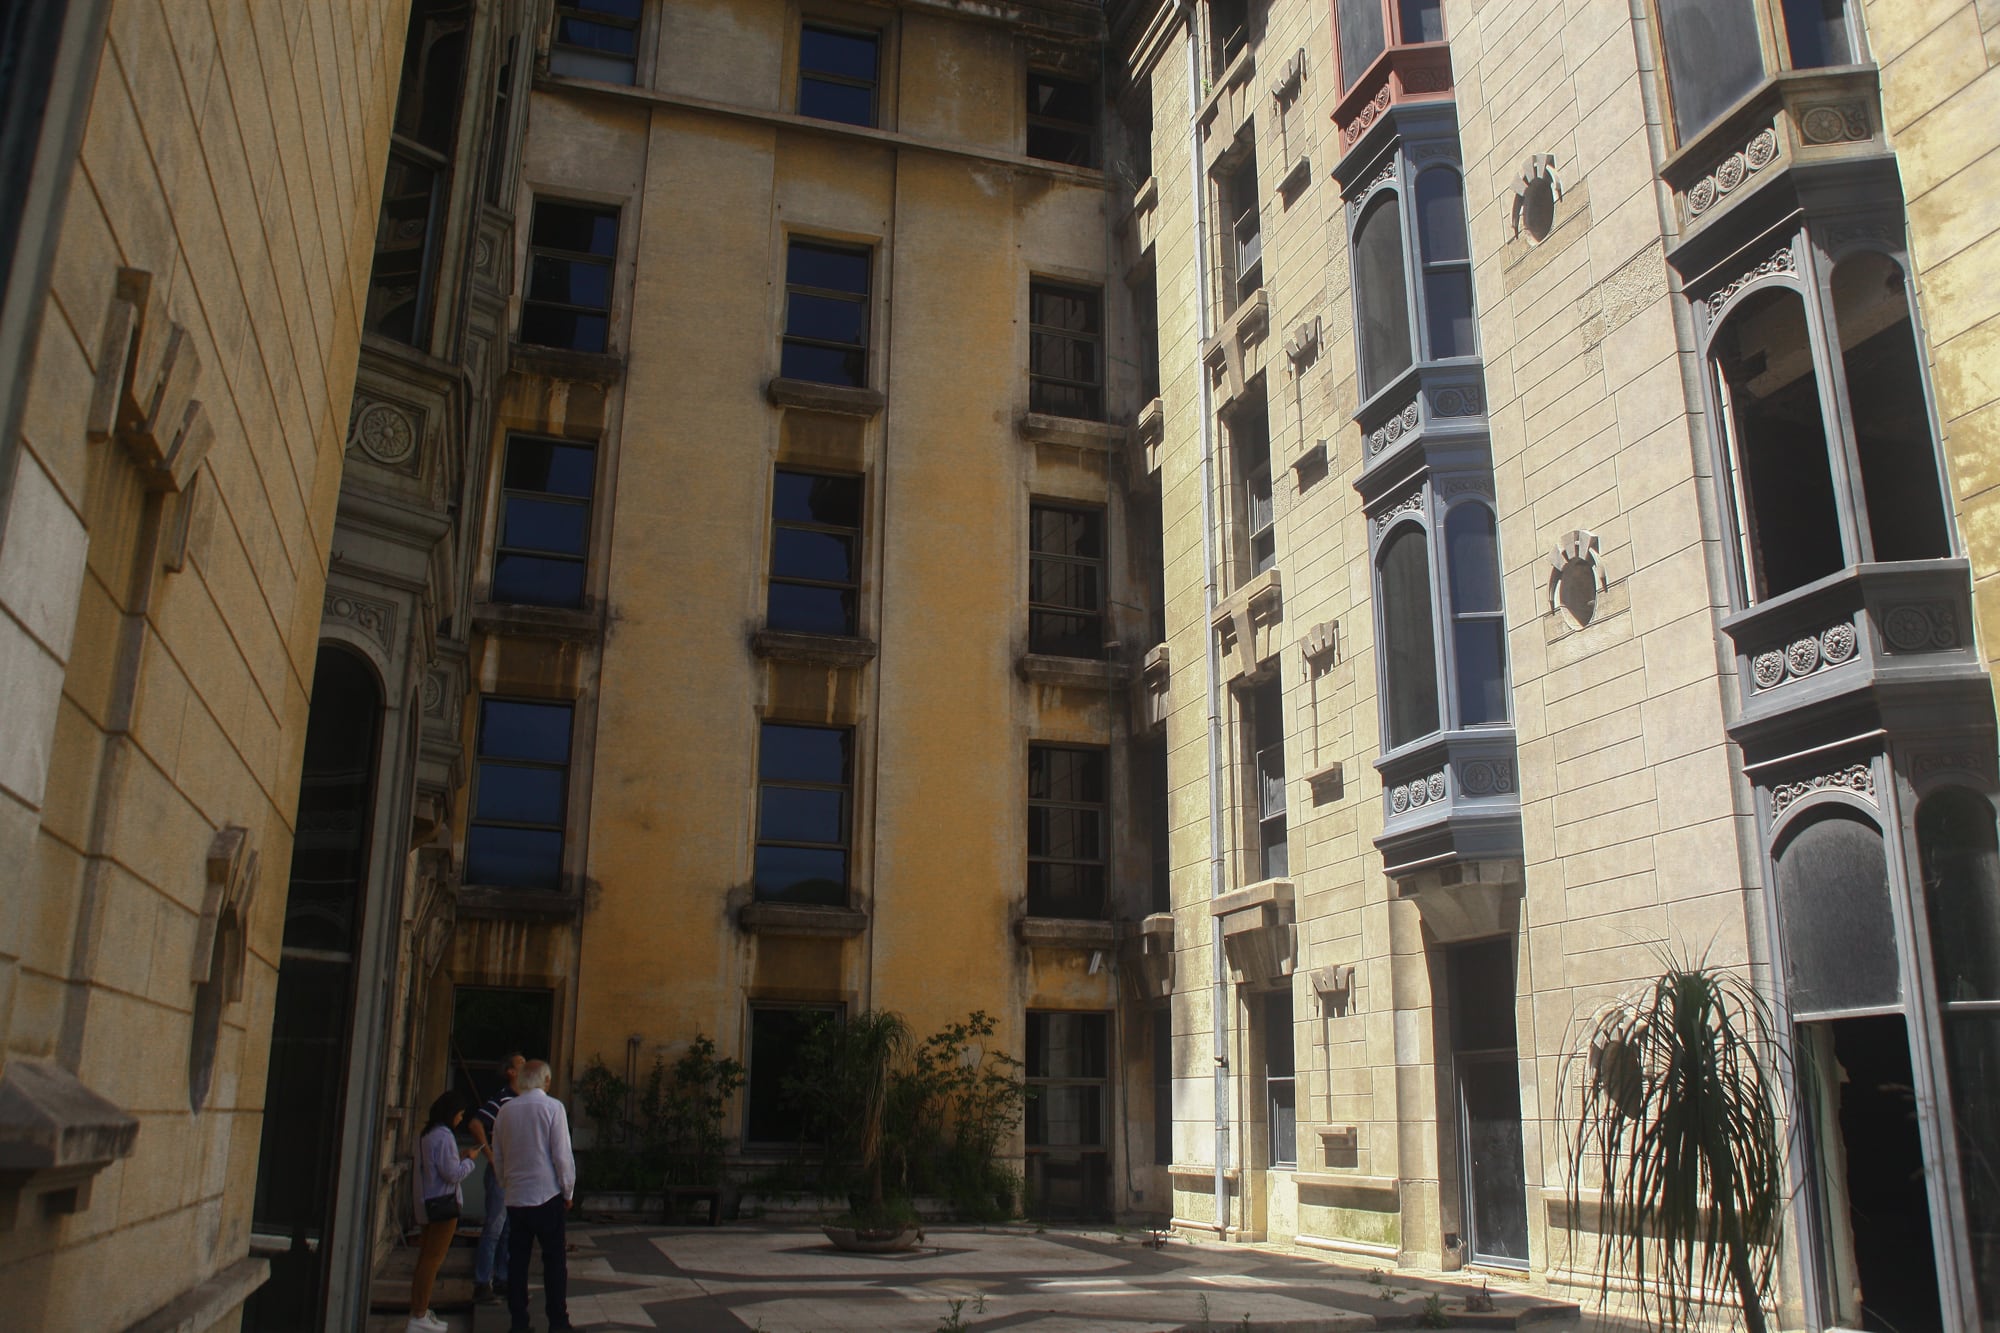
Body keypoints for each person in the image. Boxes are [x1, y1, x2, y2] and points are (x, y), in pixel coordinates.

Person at [490, 1060, 580, 1333]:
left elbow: (499, 1153)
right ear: (547, 1080)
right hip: (546, 1194)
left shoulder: (505, 1111)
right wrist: (568, 1191)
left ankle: (519, 1323)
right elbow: (562, 1155)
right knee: (554, 1262)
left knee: (517, 1262)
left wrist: (506, 1183)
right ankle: (558, 1322)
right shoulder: (553, 1108)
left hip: (517, 1197)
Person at [409, 1090, 482, 1333]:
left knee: (425, 1258)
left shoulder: (427, 1134)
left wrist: (458, 1158)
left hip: (428, 1202)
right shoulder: (444, 1136)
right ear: (451, 1113)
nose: (461, 1119)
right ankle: (419, 1313)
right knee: (433, 1260)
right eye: (460, 1114)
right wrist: (470, 1160)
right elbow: (452, 1174)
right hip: (444, 1205)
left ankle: (420, 1309)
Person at [467, 1051, 526, 1302]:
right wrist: (490, 1155)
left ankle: (502, 1277)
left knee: (509, 1228)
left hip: (516, 1173)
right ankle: (483, 1282)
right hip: (502, 1173)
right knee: (494, 1227)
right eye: (521, 1065)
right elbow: (476, 1123)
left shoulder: (523, 1100)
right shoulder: (503, 1099)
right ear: (511, 1072)